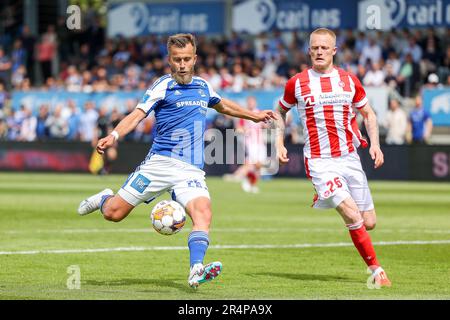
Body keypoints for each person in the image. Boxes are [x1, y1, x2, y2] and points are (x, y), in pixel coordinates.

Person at [77, 33, 276, 288]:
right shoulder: (162, 86)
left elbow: (222, 105)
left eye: (186, 59)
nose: (182, 64)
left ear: (195, 59)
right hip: (159, 165)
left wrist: (253, 115)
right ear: (169, 61)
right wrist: (114, 135)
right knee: (113, 214)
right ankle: (104, 197)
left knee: (203, 214)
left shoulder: (203, 86)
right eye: (176, 59)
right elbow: (137, 115)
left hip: (190, 170)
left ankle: (196, 269)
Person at [274, 28, 391, 287]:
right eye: (315, 47)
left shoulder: (349, 81)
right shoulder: (297, 83)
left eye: (324, 48)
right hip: (319, 162)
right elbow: (280, 111)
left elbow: (369, 114)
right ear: (309, 50)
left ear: (334, 51)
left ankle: (331, 197)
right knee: (351, 215)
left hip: (349, 157)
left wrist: (375, 144)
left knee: (368, 222)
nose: (319, 51)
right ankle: (376, 271)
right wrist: (279, 142)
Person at [234, 95, 269, 193]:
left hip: (260, 142)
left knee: (259, 165)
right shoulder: (244, 114)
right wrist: (244, 130)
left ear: (255, 103)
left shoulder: (260, 113)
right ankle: (245, 181)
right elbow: (238, 128)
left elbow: (266, 125)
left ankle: (251, 183)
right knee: (252, 163)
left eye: (252, 102)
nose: (250, 104)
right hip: (250, 142)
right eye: (249, 102)